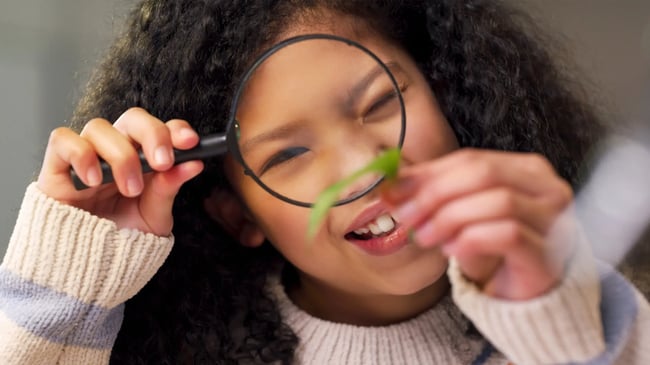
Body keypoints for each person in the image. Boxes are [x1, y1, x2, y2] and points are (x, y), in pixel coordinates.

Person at [1, 0, 648, 364]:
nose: (361, 168)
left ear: (450, 93)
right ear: (235, 214)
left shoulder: (605, 321)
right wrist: (69, 283)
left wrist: (560, 321)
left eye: (378, 103)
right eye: (287, 155)